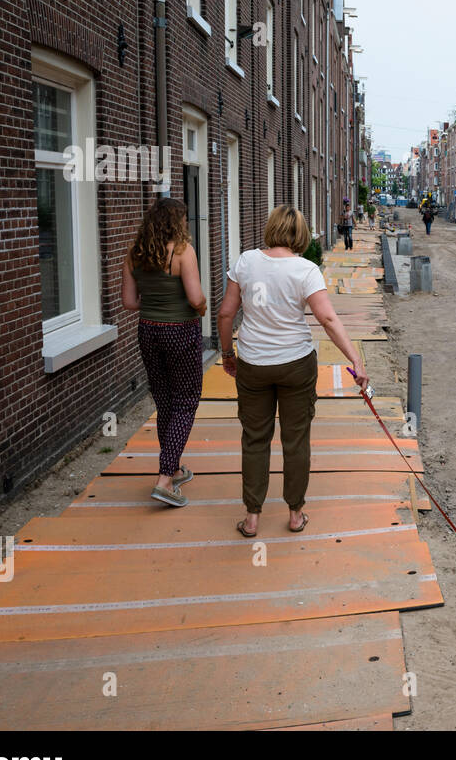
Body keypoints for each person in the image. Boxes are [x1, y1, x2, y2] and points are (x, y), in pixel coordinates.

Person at [218, 205, 368, 536]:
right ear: (300, 234)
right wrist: (355, 359)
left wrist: (228, 354)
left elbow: (226, 314)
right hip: (296, 365)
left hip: (253, 364)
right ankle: (296, 514)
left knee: (255, 439)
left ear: (270, 228)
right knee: (295, 440)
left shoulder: (245, 262)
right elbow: (328, 319)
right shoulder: (306, 270)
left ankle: (252, 517)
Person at [120, 197, 207, 506]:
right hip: (180, 331)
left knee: (166, 401)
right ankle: (165, 480)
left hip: (148, 331)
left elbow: (129, 303)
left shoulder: (134, 254)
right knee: (186, 401)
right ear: (175, 222)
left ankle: (172, 468)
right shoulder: (183, 252)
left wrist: (156, 302)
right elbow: (196, 298)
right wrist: (202, 306)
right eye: (182, 220)